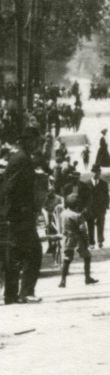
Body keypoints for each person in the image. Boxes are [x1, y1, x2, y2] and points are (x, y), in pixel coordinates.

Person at [1, 127, 43, 305]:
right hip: (20, 214)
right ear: (26, 141)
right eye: (34, 140)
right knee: (34, 252)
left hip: (17, 214)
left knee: (14, 253)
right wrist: (19, 210)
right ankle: (25, 292)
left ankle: (11, 295)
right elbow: (10, 187)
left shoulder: (19, 157)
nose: (36, 143)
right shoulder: (22, 159)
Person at [57, 190, 98, 288]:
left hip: (67, 239)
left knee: (67, 259)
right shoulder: (78, 215)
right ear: (76, 205)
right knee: (87, 257)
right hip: (78, 239)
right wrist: (87, 240)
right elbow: (82, 229)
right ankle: (87, 278)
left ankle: (63, 281)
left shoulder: (63, 213)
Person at [80, 165, 110, 248]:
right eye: (94, 172)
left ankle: (100, 241)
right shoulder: (86, 184)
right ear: (91, 173)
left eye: (98, 172)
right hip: (90, 208)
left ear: (99, 173)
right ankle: (92, 242)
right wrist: (84, 207)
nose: (96, 174)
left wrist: (106, 206)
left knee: (100, 224)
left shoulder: (104, 184)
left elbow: (107, 195)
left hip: (100, 208)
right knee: (90, 225)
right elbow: (83, 197)